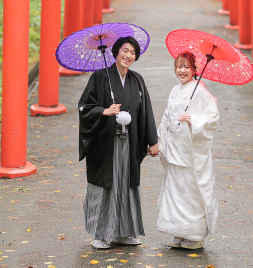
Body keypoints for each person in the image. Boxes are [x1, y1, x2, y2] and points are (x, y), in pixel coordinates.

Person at [78, 36, 160, 249]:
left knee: (126, 183)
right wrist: (104, 111)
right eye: (125, 50)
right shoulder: (99, 77)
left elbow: (146, 111)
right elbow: (85, 107)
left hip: (130, 142)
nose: (128, 56)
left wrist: (152, 140)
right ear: (115, 52)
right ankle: (100, 233)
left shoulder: (137, 79)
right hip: (105, 143)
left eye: (133, 52)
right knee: (107, 185)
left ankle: (125, 232)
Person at [156, 52, 219, 250]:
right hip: (175, 148)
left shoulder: (200, 92)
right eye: (179, 66)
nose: (182, 70)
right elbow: (167, 117)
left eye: (186, 67)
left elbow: (213, 117)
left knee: (191, 191)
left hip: (191, 150)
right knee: (175, 190)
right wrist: (158, 141)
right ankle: (178, 231)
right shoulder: (175, 90)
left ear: (194, 70)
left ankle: (195, 234)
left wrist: (194, 120)